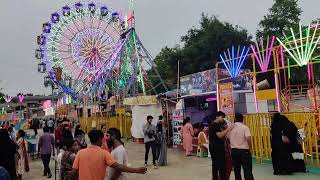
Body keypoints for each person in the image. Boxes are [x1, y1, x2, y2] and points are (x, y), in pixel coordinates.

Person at [72, 129, 147, 180]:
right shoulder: (104, 153)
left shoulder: (80, 153)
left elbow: (74, 172)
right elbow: (118, 167)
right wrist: (137, 170)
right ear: (100, 139)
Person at [209, 111, 234, 180]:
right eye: (222, 117)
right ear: (217, 116)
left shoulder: (217, 125)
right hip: (216, 148)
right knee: (221, 165)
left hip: (215, 147)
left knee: (215, 166)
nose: (223, 119)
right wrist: (228, 129)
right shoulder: (215, 125)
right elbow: (220, 135)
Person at [228, 113, 254, 180]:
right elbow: (248, 138)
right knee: (247, 170)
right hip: (244, 151)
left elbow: (227, 137)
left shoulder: (231, 128)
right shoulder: (245, 127)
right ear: (242, 119)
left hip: (234, 151)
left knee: (237, 171)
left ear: (235, 119)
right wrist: (250, 148)